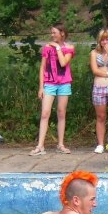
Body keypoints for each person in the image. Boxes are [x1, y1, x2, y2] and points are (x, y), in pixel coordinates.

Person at [29, 23, 75, 156]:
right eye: (52, 32)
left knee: (61, 112)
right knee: (45, 113)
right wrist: (41, 87)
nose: (52, 35)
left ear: (62, 33)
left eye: (54, 32)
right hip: (49, 83)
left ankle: (60, 144)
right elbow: (42, 67)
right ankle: (40, 146)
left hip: (64, 83)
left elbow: (63, 63)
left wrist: (58, 48)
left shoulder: (69, 48)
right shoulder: (47, 48)